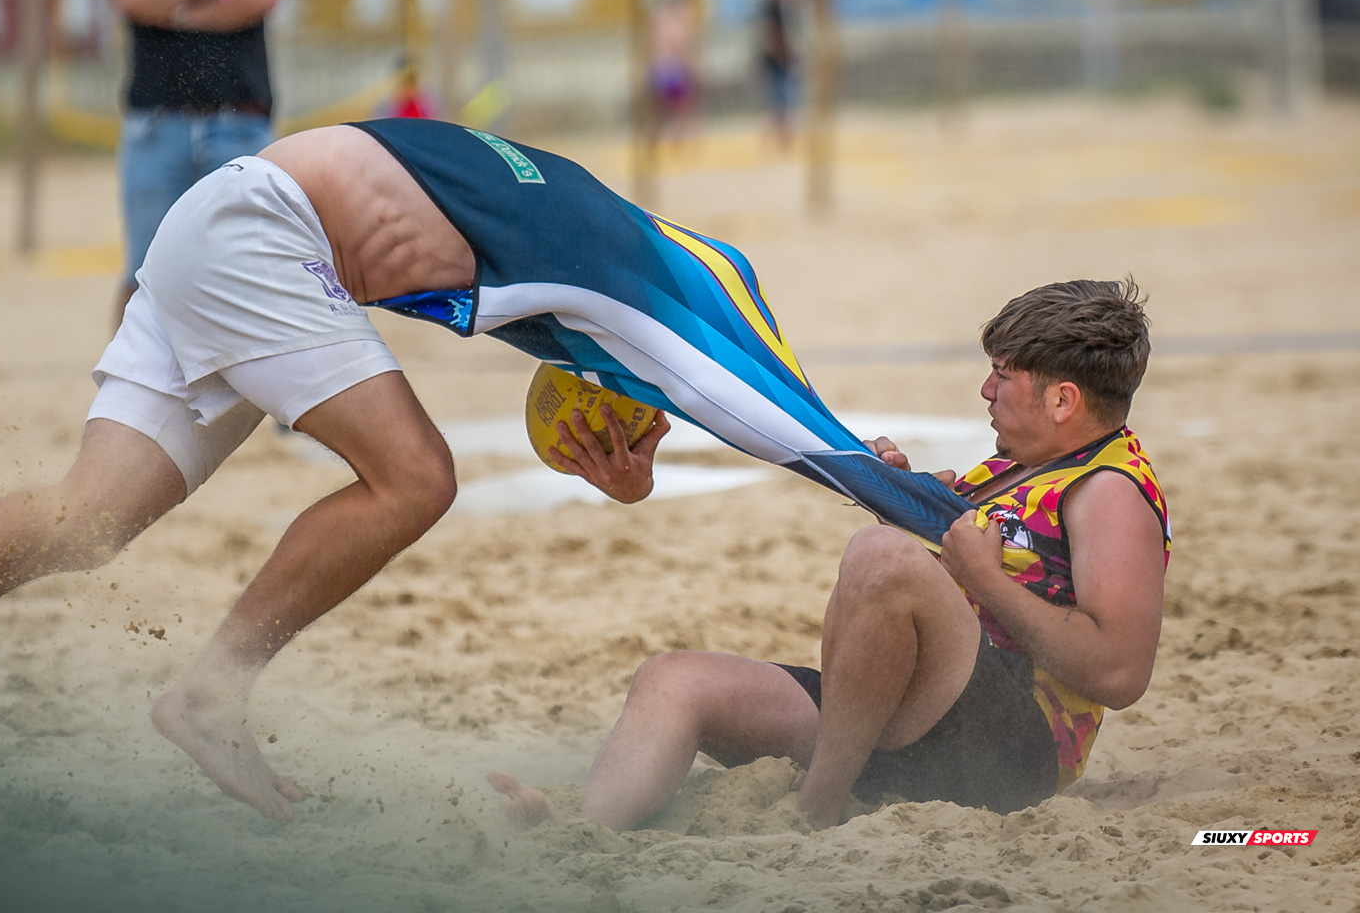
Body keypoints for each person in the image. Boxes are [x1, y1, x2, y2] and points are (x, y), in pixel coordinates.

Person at [0, 120, 973, 825]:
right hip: (265, 236)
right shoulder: (634, 280)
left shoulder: (636, 242)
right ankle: (210, 695)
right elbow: (742, 399)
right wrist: (904, 493)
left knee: (86, 521)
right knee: (416, 479)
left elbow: (737, 369)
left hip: (216, 222)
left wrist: (738, 445)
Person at [487, 279, 1169, 831]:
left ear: (1063, 399)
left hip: (1010, 754)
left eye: (1001, 376)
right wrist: (898, 491)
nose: (986, 391)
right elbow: (951, 554)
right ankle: (577, 829)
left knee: (881, 557)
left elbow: (1118, 673)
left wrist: (983, 579)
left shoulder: (1108, 490)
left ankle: (817, 808)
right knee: (674, 679)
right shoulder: (1015, 468)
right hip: (908, 723)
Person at [104, 0, 287, 329]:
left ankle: (284, 405)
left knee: (262, 269)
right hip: (156, 129)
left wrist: (171, 5)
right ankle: (129, 403)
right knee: (144, 274)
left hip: (241, 123)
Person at [757, 0, 805, 151]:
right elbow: (769, 37)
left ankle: (784, 142)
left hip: (784, 62)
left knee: (784, 105)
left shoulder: (787, 8)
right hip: (776, 63)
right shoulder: (773, 9)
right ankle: (778, 140)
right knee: (780, 105)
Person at [646, 0, 700, 144]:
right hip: (672, 68)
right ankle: (675, 143)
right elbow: (680, 47)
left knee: (667, 112)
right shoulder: (676, 22)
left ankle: (666, 142)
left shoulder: (661, 20)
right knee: (680, 109)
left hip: (663, 68)